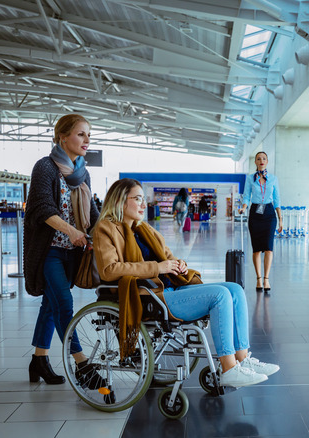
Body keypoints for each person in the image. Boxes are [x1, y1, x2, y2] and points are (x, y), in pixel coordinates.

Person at [92, 178, 279, 387]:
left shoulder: (144, 230)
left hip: (171, 286)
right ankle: (229, 368)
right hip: (151, 296)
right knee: (220, 295)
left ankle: (243, 359)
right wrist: (158, 267)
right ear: (120, 201)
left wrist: (177, 264)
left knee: (234, 289)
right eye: (138, 199)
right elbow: (109, 270)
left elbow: (167, 256)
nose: (144, 204)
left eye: (143, 199)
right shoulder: (106, 229)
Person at [23, 113, 103, 386]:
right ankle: (82, 364)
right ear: (62, 136)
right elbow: (41, 209)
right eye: (81, 134)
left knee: (51, 303)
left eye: (88, 135)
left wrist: (108, 231)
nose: (87, 140)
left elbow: (91, 213)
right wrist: (71, 231)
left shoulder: (82, 171)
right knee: (64, 304)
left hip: (73, 253)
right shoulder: (45, 167)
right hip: (49, 251)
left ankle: (39, 360)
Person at [238, 152, 282, 293]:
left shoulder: (273, 179)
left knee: (269, 247)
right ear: (255, 162)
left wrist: (281, 220)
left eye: (264, 158)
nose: (261, 160)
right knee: (256, 248)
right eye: (258, 159)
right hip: (255, 212)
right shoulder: (250, 179)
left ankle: (266, 278)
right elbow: (246, 196)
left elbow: (277, 200)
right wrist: (243, 208)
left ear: (267, 161)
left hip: (269, 213)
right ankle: (258, 278)